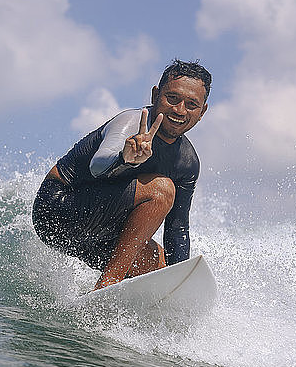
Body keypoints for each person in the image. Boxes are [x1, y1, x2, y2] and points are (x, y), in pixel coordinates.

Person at [32, 59, 211, 290]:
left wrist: (180, 283)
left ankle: (113, 306)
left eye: (191, 104)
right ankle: (107, 285)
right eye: (172, 98)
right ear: (156, 95)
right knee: (162, 190)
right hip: (58, 211)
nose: (179, 110)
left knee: (161, 269)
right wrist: (124, 158)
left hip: (101, 234)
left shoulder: (187, 163)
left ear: (202, 111)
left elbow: (177, 228)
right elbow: (98, 166)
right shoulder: (132, 122)